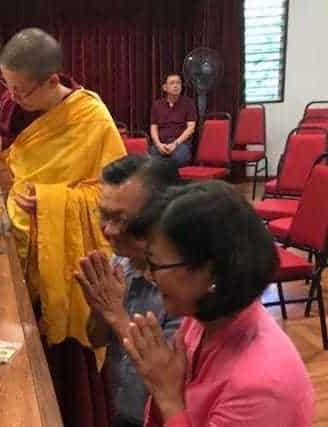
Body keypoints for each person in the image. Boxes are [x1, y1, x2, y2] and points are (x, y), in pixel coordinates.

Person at [0, 28, 126, 426]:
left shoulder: (90, 116)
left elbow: (115, 192)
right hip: (23, 237)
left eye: (22, 90)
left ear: (52, 80)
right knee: (32, 329)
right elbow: (0, 154)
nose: (12, 96)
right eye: (7, 84)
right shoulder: (10, 108)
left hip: (70, 250)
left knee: (70, 344)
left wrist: (52, 200)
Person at [123, 181, 314, 426]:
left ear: (211, 272)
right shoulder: (203, 316)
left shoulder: (261, 386)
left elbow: (176, 402)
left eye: (156, 264)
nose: (149, 275)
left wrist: (168, 396)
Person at [74, 156, 181, 427]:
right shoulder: (120, 261)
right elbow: (96, 338)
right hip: (122, 405)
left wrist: (115, 312)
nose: (108, 231)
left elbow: (168, 378)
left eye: (120, 220)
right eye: (103, 215)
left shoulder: (183, 283)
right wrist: (100, 310)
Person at [149, 73, 196, 167]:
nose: (176, 86)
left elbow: (191, 128)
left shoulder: (189, 103)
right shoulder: (157, 105)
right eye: (172, 83)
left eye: (178, 83)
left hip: (180, 144)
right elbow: (153, 128)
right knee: (151, 161)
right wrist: (158, 144)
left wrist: (175, 144)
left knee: (177, 159)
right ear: (165, 88)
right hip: (161, 143)